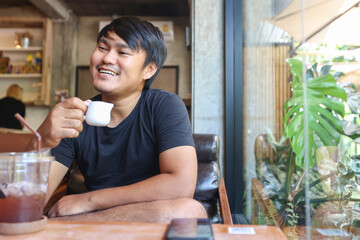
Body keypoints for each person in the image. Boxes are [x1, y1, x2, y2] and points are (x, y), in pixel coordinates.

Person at [29, 16, 207, 222]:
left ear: (149, 69)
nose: (107, 58)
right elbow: (31, 201)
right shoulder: (74, 116)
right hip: (97, 226)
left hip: (137, 219)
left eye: (122, 52)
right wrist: (40, 138)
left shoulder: (164, 106)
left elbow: (181, 185)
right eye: (102, 48)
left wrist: (89, 201)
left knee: (188, 211)